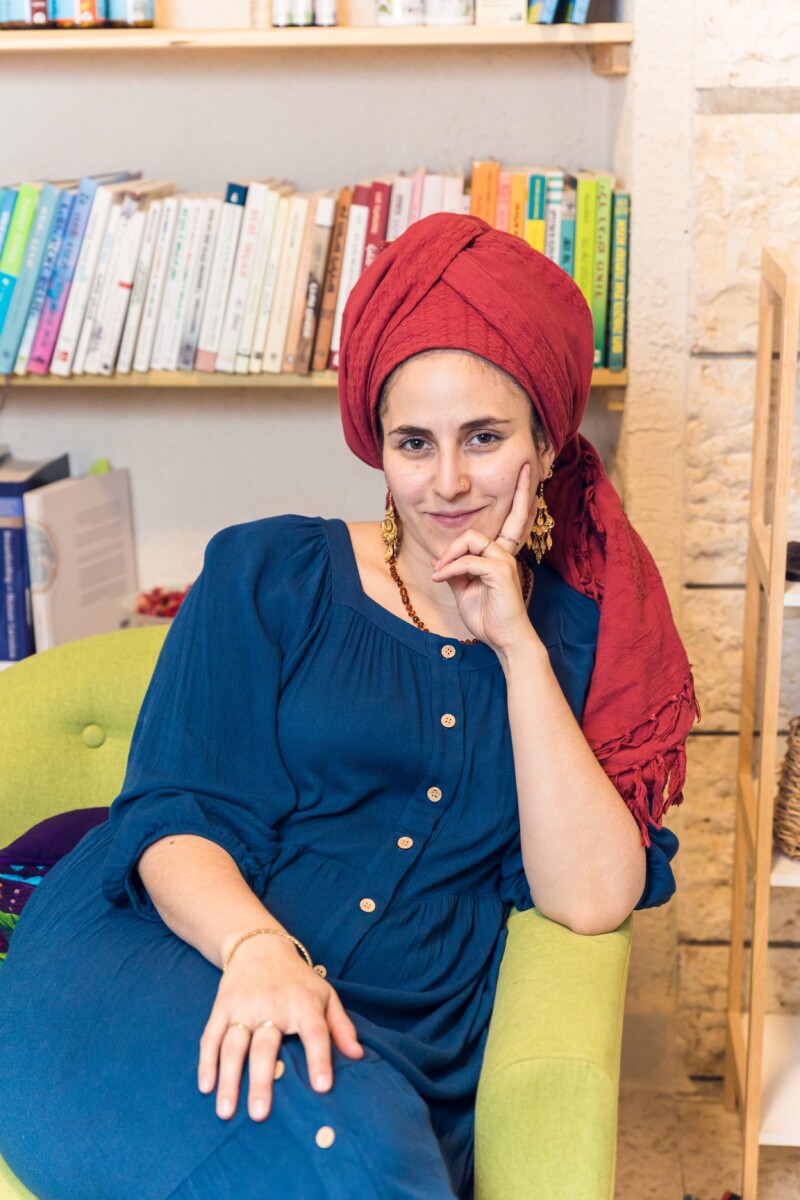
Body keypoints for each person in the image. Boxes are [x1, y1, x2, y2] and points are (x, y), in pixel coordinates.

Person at [0, 211, 699, 1200]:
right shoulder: (267, 572)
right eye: (414, 443)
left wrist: (515, 647)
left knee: (363, 1144)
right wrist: (258, 953)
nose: (447, 483)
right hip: (173, 965)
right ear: (379, 448)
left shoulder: (577, 642)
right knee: (349, 1156)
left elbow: (588, 898)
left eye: (484, 438)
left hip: (389, 1046)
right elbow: (173, 811)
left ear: (546, 444)